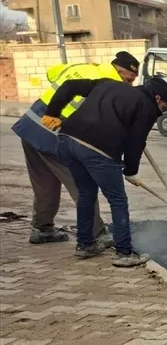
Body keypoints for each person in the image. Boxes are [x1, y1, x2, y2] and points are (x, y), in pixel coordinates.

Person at [42, 75, 167, 267]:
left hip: (66, 141)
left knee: (86, 194)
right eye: (163, 107)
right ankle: (124, 253)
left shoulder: (108, 84)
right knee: (118, 200)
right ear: (158, 98)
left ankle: (85, 245)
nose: (160, 112)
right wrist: (130, 170)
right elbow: (136, 143)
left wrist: (52, 112)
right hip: (97, 149)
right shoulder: (147, 106)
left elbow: (70, 85)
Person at [10, 51, 140, 245]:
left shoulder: (82, 68)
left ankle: (42, 229)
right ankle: (97, 234)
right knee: (82, 184)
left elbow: (52, 74)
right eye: (129, 80)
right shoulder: (107, 87)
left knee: (45, 184)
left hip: (30, 125)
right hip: (52, 134)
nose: (129, 85)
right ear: (119, 72)